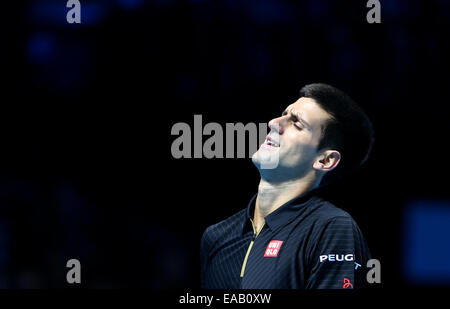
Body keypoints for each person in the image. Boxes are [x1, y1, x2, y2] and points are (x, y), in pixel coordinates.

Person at [200, 83, 375, 289]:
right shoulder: (216, 236)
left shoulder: (332, 228)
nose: (274, 122)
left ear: (325, 160)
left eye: (297, 123)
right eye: (283, 114)